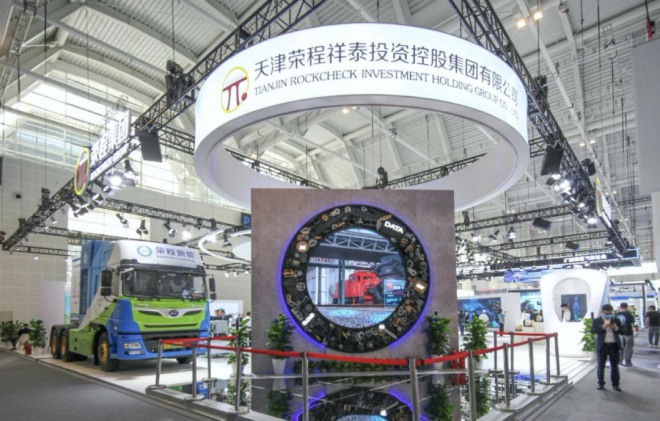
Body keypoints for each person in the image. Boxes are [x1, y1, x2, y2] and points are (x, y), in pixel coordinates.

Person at [591, 304, 623, 391]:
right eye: (606, 313)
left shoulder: (616, 320)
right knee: (601, 365)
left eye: (610, 313)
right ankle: (601, 384)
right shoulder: (597, 320)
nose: (608, 315)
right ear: (602, 312)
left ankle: (615, 384)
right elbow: (592, 330)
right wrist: (603, 327)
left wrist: (615, 327)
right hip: (602, 345)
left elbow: (622, 331)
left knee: (615, 366)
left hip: (614, 345)